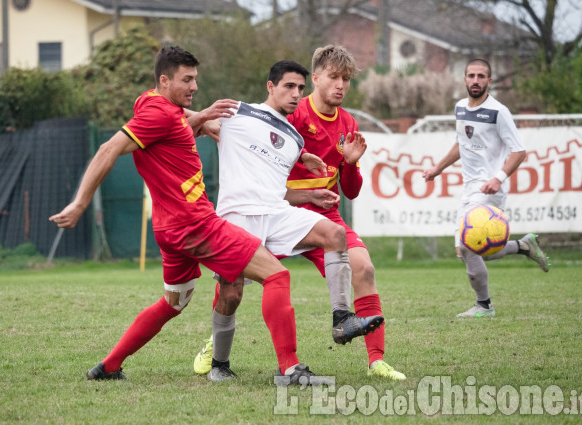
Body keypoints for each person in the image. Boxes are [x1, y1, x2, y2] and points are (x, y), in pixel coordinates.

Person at [49, 46, 331, 385]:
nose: (194, 86)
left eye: (195, 79)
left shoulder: (156, 106)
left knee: (174, 302)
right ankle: (290, 370)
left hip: (169, 231)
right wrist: (79, 203)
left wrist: (200, 120)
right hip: (196, 225)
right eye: (187, 80)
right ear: (165, 80)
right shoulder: (161, 116)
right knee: (277, 276)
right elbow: (108, 148)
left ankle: (108, 366)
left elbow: (174, 124)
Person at [194, 60, 384, 382]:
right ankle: (219, 363)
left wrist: (309, 197)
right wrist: (200, 118)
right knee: (231, 293)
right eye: (288, 87)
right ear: (270, 87)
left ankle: (342, 319)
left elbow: (278, 192)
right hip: (238, 217)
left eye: (299, 88)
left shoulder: (294, 139)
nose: (296, 94)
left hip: (277, 213)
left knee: (335, 234)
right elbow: (179, 120)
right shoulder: (240, 112)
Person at [286, 45, 406, 380]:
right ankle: (215, 348)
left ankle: (376, 361)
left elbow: (350, 190)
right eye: (334, 77)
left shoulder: (347, 122)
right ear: (316, 78)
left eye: (347, 79)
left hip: (328, 221)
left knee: (365, 268)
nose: (341, 85)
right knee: (235, 279)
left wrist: (351, 164)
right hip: (283, 214)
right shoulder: (294, 115)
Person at [422, 58, 549, 318]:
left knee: (470, 247)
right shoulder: (460, 108)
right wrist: (438, 168)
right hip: (469, 189)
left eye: (481, 76)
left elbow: (519, 151)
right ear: (465, 79)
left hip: (490, 189)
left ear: (489, 81)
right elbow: (461, 143)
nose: (476, 80)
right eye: (471, 75)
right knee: (467, 251)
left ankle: (484, 305)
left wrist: (498, 178)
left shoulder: (498, 112)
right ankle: (523, 246)